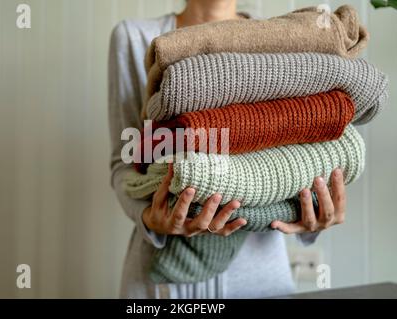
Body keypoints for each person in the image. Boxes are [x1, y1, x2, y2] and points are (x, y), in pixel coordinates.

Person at [108, 0, 347, 299]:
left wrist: (313, 217)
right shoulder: (135, 37)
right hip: (164, 290)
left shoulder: (280, 38)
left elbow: (303, 152)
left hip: (263, 282)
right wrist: (150, 218)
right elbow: (125, 160)